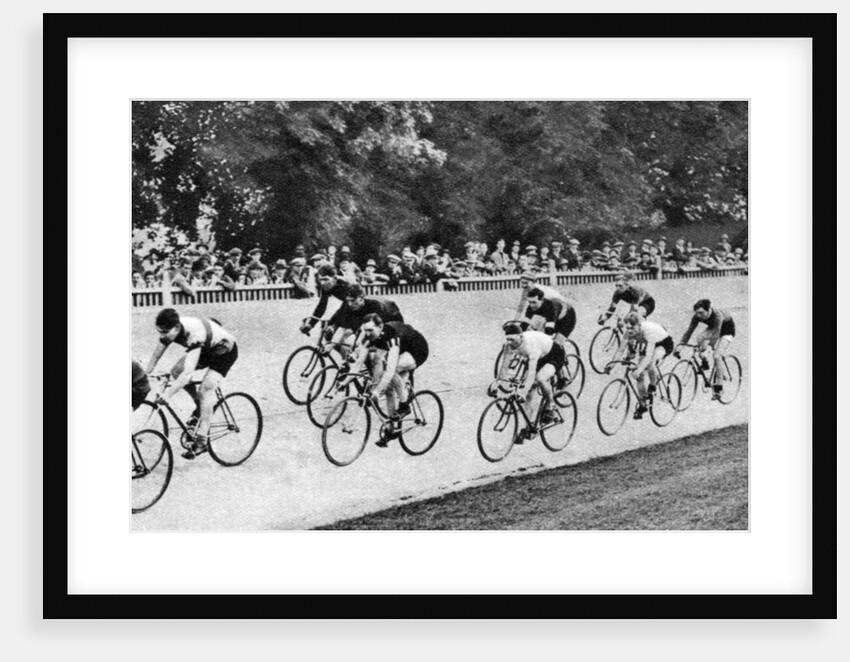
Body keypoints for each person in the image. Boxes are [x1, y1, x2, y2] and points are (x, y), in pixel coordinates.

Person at [145, 308, 238, 459]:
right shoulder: (171, 330)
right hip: (206, 348)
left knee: (205, 390)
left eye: (164, 332)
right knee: (175, 372)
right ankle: (199, 406)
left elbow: (187, 375)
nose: (162, 336)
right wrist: (146, 374)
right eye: (159, 332)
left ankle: (202, 441)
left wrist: (167, 394)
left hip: (224, 351)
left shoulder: (193, 334)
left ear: (176, 327)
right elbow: (156, 355)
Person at [347, 314, 429, 445]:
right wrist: (344, 382)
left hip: (417, 349)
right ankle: (392, 430)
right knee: (388, 390)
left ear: (380, 327)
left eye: (370, 330)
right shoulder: (371, 337)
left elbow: (390, 370)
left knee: (390, 370)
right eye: (365, 330)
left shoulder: (391, 336)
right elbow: (362, 364)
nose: (367, 334)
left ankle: (404, 405)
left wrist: (376, 391)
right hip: (403, 349)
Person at [490, 322, 566, 441]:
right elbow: (504, 366)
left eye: (512, 339)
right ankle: (527, 428)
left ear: (520, 337)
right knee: (529, 394)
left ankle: (551, 404)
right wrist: (497, 383)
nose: (509, 342)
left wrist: (523, 392)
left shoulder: (531, 346)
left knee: (539, 378)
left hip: (554, 354)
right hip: (539, 356)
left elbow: (531, 373)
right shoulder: (508, 345)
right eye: (508, 339)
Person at [612, 312, 675, 419]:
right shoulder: (629, 332)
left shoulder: (648, 331)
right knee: (640, 376)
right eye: (628, 328)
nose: (630, 330)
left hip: (663, 343)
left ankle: (653, 385)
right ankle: (642, 405)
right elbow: (621, 350)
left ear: (639, 325)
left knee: (650, 363)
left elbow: (648, 357)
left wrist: (638, 369)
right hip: (647, 344)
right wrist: (612, 364)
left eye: (632, 327)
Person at [675, 299, 736, 400]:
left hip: (726, 329)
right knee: (699, 339)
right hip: (713, 328)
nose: (698, 315)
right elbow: (689, 331)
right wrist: (681, 345)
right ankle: (705, 363)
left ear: (708, 310)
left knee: (716, 356)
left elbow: (716, 335)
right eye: (697, 313)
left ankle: (719, 388)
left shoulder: (717, 315)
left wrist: (708, 348)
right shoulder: (697, 316)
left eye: (701, 313)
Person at [326, 283, 404, 358]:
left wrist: (356, 349)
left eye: (353, 301)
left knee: (376, 352)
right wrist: (331, 346)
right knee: (359, 346)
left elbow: (370, 331)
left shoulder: (374, 305)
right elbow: (342, 328)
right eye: (348, 301)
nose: (349, 304)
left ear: (361, 298)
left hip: (392, 320)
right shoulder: (349, 306)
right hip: (373, 325)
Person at [300, 264, 356, 336]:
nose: (323, 283)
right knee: (328, 333)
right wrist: (311, 324)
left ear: (335, 278)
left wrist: (333, 324)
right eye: (321, 280)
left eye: (326, 279)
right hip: (348, 305)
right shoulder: (326, 285)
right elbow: (321, 306)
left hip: (358, 305)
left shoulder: (343, 285)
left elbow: (347, 307)